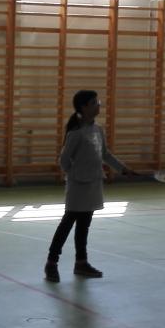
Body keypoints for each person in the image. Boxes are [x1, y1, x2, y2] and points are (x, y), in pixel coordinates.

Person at [43, 90, 135, 282]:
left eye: (98, 102)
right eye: (94, 103)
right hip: (78, 187)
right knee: (66, 224)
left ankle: (81, 263)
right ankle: (51, 263)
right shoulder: (76, 132)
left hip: (93, 184)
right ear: (84, 107)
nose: (98, 105)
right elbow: (64, 160)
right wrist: (75, 175)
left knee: (84, 226)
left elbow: (105, 154)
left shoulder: (98, 129)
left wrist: (123, 169)